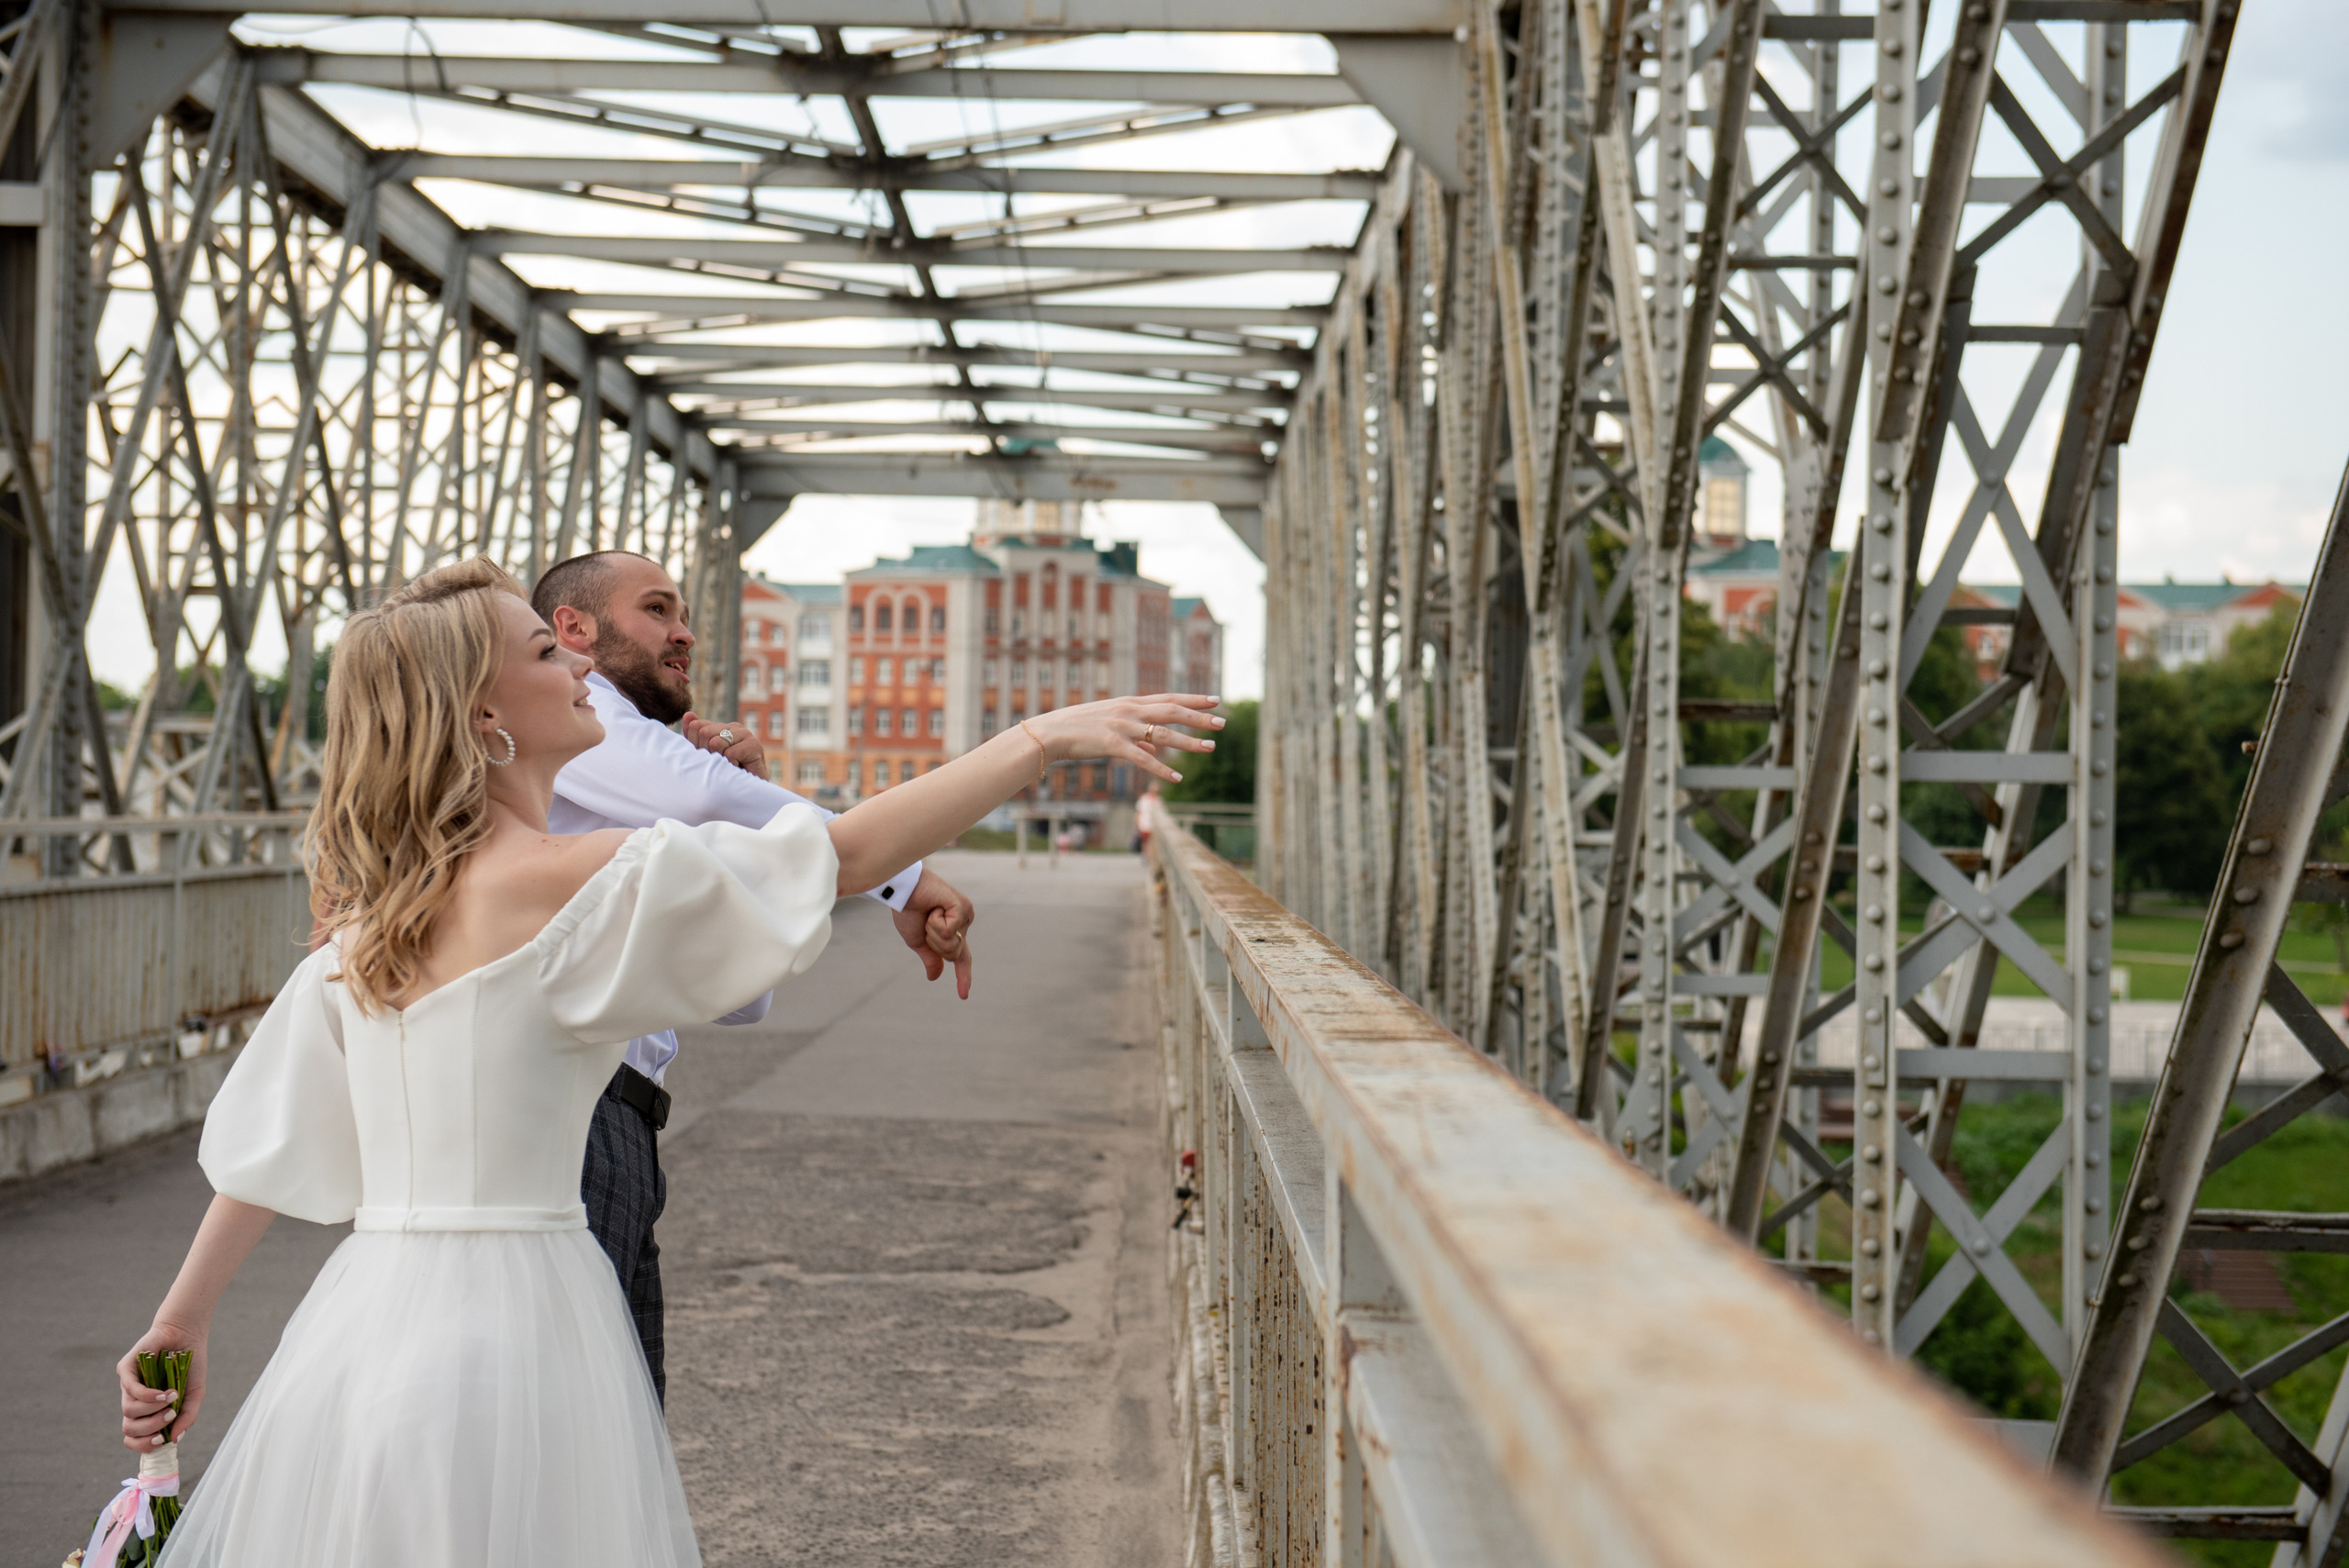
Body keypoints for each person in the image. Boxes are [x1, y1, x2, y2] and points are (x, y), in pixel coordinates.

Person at [111, 557, 1219, 1565]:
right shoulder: (567, 873)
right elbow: (835, 855)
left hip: (356, 1339)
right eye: (550, 650)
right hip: (523, 1325)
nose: (579, 662)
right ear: (485, 714)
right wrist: (1039, 740)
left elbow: (271, 1142)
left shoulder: (375, 918)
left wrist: (182, 1318)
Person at [529, 549, 976, 1401]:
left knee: (622, 1431)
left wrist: (756, 814)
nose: (685, 632)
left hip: (623, 1126)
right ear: (574, 630)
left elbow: (742, 997)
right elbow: (699, 800)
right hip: (577, 1114)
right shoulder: (577, 720)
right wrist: (907, 880)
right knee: (584, 1428)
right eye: (656, 609)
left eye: (683, 611)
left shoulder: (644, 771)